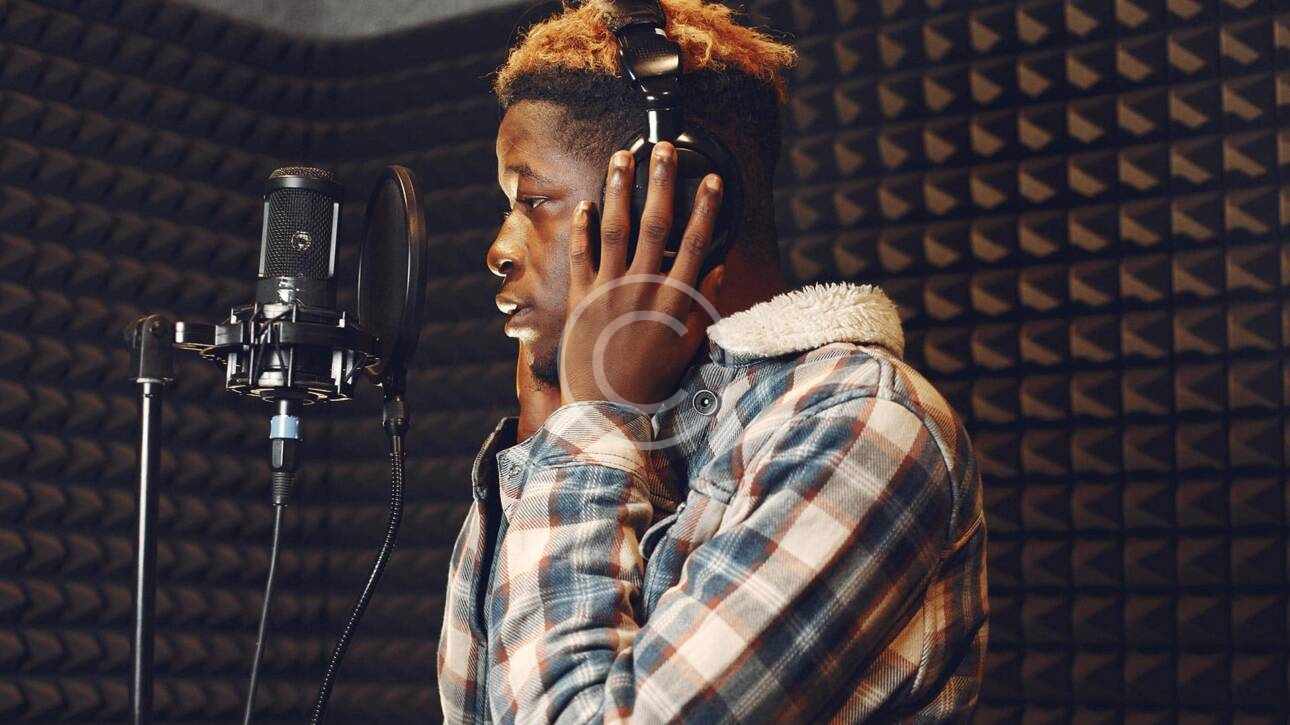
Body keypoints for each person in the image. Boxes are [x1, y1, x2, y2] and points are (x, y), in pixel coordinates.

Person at [437, 1, 987, 721]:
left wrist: (586, 425)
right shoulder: (599, 421)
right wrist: (554, 437)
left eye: (533, 200)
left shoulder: (860, 426)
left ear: (672, 199)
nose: (498, 250)